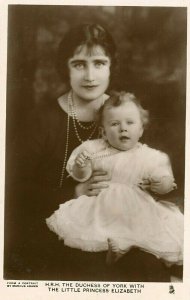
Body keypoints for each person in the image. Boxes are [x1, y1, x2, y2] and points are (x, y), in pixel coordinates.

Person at [5, 23, 175, 281]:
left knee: (148, 268)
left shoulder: (126, 116)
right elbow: (13, 190)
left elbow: (145, 170)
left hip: (125, 225)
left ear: (110, 67)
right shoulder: (41, 119)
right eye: (78, 64)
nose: (89, 76)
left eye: (98, 63)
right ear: (66, 68)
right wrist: (74, 191)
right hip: (58, 229)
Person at [46, 91, 183, 269]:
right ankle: (114, 250)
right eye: (115, 124)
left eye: (130, 123)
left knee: (142, 227)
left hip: (135, 205)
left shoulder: (149, 156)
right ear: (103, 132)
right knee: (97, 228)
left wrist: (161, 184)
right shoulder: (94, 149)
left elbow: (165, 182)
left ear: (141, 130)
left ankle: (124, 248)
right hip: (101, 204)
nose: (123, 128)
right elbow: (81, 176)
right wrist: (81, 166)